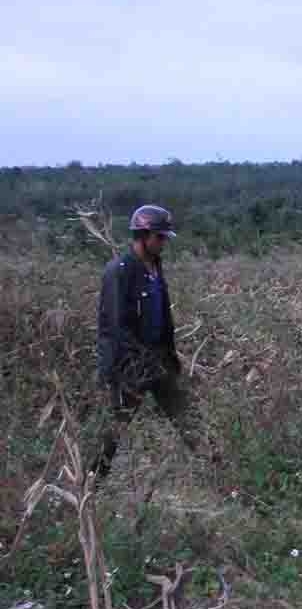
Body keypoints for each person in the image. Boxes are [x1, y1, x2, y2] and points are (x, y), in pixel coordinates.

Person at [91, 204, 211, 481]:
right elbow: (116, 326)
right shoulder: (119, 271)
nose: (164, 242)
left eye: (165, 237)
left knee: (186, 417)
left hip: (159, 359)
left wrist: (169, 358)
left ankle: (217, 475)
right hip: (130, 365)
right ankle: (91, 484)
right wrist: (139, 364)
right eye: (159, 237)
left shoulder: (155, 267)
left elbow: (163, 315)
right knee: (115, 430)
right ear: (142, 235)